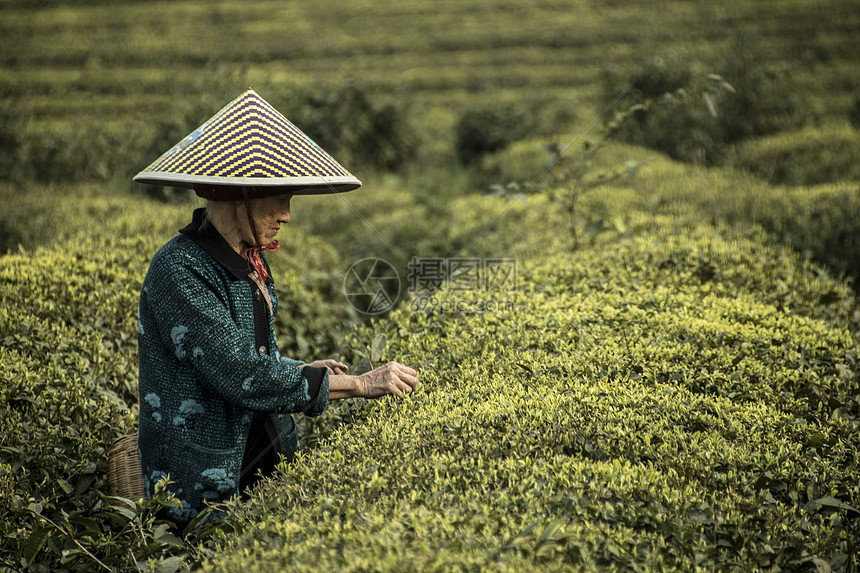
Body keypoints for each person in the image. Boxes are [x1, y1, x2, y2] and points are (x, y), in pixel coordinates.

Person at [133, 89, 419, 523]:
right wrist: (360, 384)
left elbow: (255, 357)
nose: (286, 214)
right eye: (279, 197)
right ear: (241, 196)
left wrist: (303, 369)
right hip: (203, 485)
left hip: (262, 450)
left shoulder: (251, 257)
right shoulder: (179, 270)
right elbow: (241, 372)